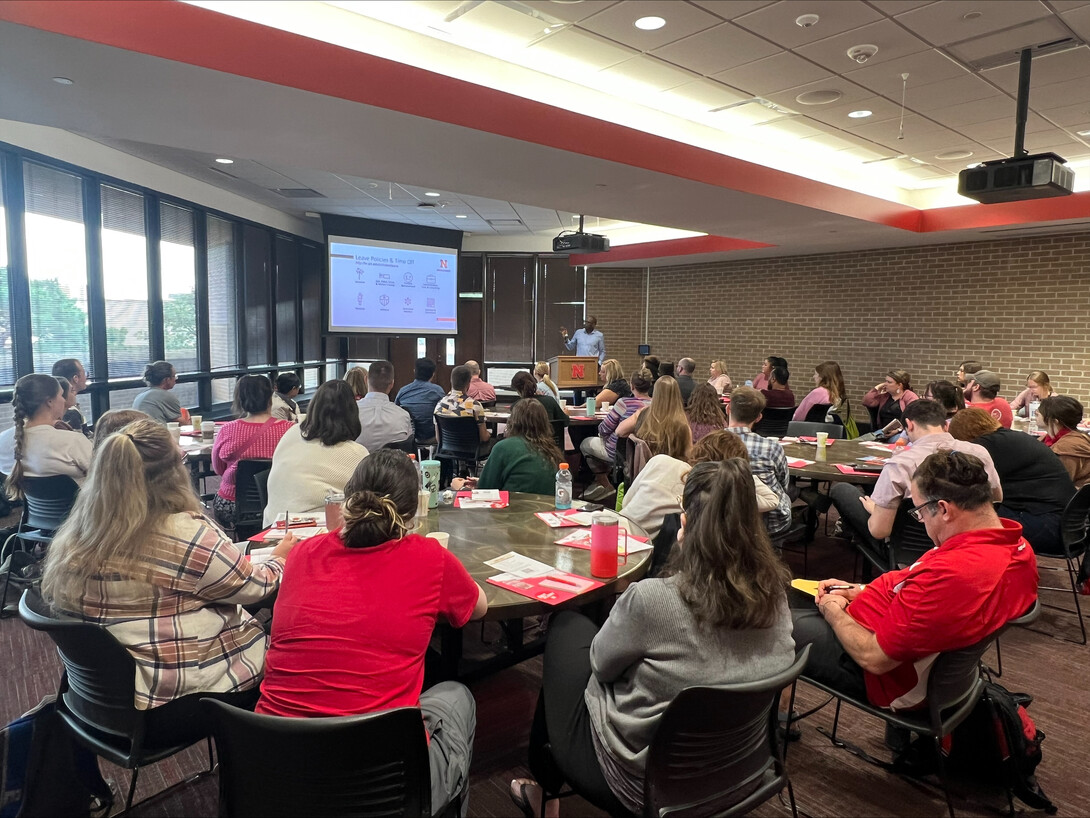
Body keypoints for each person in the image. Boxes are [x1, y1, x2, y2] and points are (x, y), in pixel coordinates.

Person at [512, 459, 795, 817]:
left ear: (686, 523)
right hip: (740, 769)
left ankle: (543, 792)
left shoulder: (652, 600)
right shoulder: (778, 597)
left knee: (567, 627)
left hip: (642, 784)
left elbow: (601, 665)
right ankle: (543, 791)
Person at [255, 450, 486, 817]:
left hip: (272, 770)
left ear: (349, 499)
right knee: (457, 696)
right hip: (383, 785)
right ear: (410, 514)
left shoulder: (301, 555)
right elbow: (478, 609)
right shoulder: (430, 558)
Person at [40, 418, 293, 744]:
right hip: (176, 701)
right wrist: (281, 557)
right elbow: (255, 588)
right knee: (290, 643)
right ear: (175, 472)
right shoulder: (186, 534)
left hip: (100, 701)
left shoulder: (77, 535)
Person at [794, 449, 1037, 711]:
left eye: (920, 512)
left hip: (882, 676)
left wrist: (832, 611)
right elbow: (914, 586)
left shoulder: (954, 573)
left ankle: (770, 727)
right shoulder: (1016, 546)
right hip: (898, 643)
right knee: (795, 602)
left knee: (773, 624)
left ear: (943, 509)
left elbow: (874, 658)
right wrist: (861, 590)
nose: (921, 521)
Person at [830, 399, 1002, 555]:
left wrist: (875, 509)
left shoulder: (900, 464)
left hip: (910, 551)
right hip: (974, 544)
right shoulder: (979, 452)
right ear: (946, 425)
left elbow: (879, 531)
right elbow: (996, 499)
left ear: (909, 425)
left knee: (843, 490)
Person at [949, 408, 1073, 556]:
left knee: (965, 513)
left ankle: (971, 568)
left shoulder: (986, 445)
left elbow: (961, 479)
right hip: (1067, 526)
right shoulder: (1012, 438)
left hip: (1049, 527)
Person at [620, 430, 779, 541]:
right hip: (638, 550)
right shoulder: (711, 490)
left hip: (614, 525)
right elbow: (772, 499)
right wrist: (741, 472)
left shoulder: (661, 460)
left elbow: (627, 500)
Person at [263, 379, 369, 526]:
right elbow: (367, 502)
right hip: (317, 531)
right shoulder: (357, 454)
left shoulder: (290, 434)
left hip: (273, 525)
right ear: (352, 413)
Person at [211, 375, 294, 529]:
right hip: (276, 501)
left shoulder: (227, 430)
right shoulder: (289, 429)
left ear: (239, 399)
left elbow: (219, 469)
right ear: (270, 398)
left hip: (232, 503)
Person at [0, 374, 93, 494]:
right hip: (79, 511)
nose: (64, 400)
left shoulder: (3, 440)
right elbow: (103, 475)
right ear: (49, 401)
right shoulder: (73, 441)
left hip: (33, 512)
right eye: (60, 395)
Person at [726, 386, 792, 535]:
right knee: (787, 494)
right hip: (770, 524)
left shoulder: (710, 443)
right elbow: (783, 484)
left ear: (728, 408)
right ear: (758, 417)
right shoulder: (772, 448)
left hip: (724, 519)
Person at [476, 399, 563, 496]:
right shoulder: (553, 451)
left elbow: (484, 491)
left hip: (515, 507)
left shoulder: (503, 448)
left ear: (512, 421)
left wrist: (461, 488)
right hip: (547, 507)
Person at [581, 369, 652, 470]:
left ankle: (604, 482)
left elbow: (604, 429)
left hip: (619, 453)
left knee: (585, 443)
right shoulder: (656, 405)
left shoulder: (623, 403)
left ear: (632, 386)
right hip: (646, 453)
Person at [615, 376, 691, 462]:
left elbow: (619, 431)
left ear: (655, 392)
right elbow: (688, 455)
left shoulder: (644, 413)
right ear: (677, 394)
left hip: (645, 469)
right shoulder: (682, 422)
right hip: (671, 471)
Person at [434, 365, 493, 458]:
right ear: (469, 383)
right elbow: (483, 437)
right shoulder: (475, 406)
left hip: (448, 449)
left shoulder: (439, 405)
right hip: (473, 451)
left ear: (451, 381)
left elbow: (438, 438)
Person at [355, 359, 414, 451]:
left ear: (366, 379)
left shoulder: (351, 412)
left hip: (358, 464)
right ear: (392, 384)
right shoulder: (403, 415)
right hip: (393, 464)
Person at [1039, 395, 1090, 488]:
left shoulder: (1068, 447)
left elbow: (1058, 483)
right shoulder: (1049, 439)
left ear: (1054, 421)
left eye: (1038, 413)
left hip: (1076, 498)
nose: (1036, 414)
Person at [396, 357, 447, 445]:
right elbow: (445, 413)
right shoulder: (438, 391)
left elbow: (395, 411)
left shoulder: (403, 392)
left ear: (414, 371)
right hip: (432, 436)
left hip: (408, 437)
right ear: (433, 374)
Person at [560, 317, 605, 405]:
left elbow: (602, 351)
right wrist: (565, 337)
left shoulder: (599, 335)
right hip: (578, 366)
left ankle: (589, 410)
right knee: (577, 389)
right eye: (586, 322)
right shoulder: (578, 333)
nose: (586, 324)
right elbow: (570, 346)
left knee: (590, 391)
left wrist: (599, 363)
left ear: (594, 324)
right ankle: (576, 408)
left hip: (591, 366)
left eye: (589, 322)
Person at [132, 360, 189, 424]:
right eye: (174, 376)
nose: (176, 379)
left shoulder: (140, 396)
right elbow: (182, 423)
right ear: (167, 380)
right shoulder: (166, 396)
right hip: (158, 433)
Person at [51, 358, 90, 435]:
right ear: (76, 378)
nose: (86, 377)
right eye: (84, 374)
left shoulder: (58, 407)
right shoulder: (69, 411)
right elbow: (79, 442)